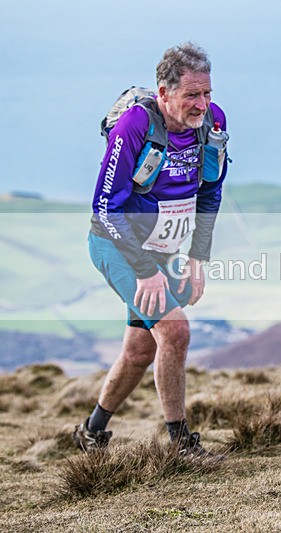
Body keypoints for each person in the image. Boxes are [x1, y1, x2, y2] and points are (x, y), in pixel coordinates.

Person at [73, 42, 229, 456]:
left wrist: (197, 259)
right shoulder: (136, 127)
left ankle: (92, 431)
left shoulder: (213, 124)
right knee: (174, 330)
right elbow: (105, 208)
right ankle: (180, 444)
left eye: (207, 93)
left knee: (140, 349)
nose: (203, 104)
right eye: (191, 95)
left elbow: (210, 194)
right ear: (164, 94)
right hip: (117, 246)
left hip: (163, 250)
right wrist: (145, 269)